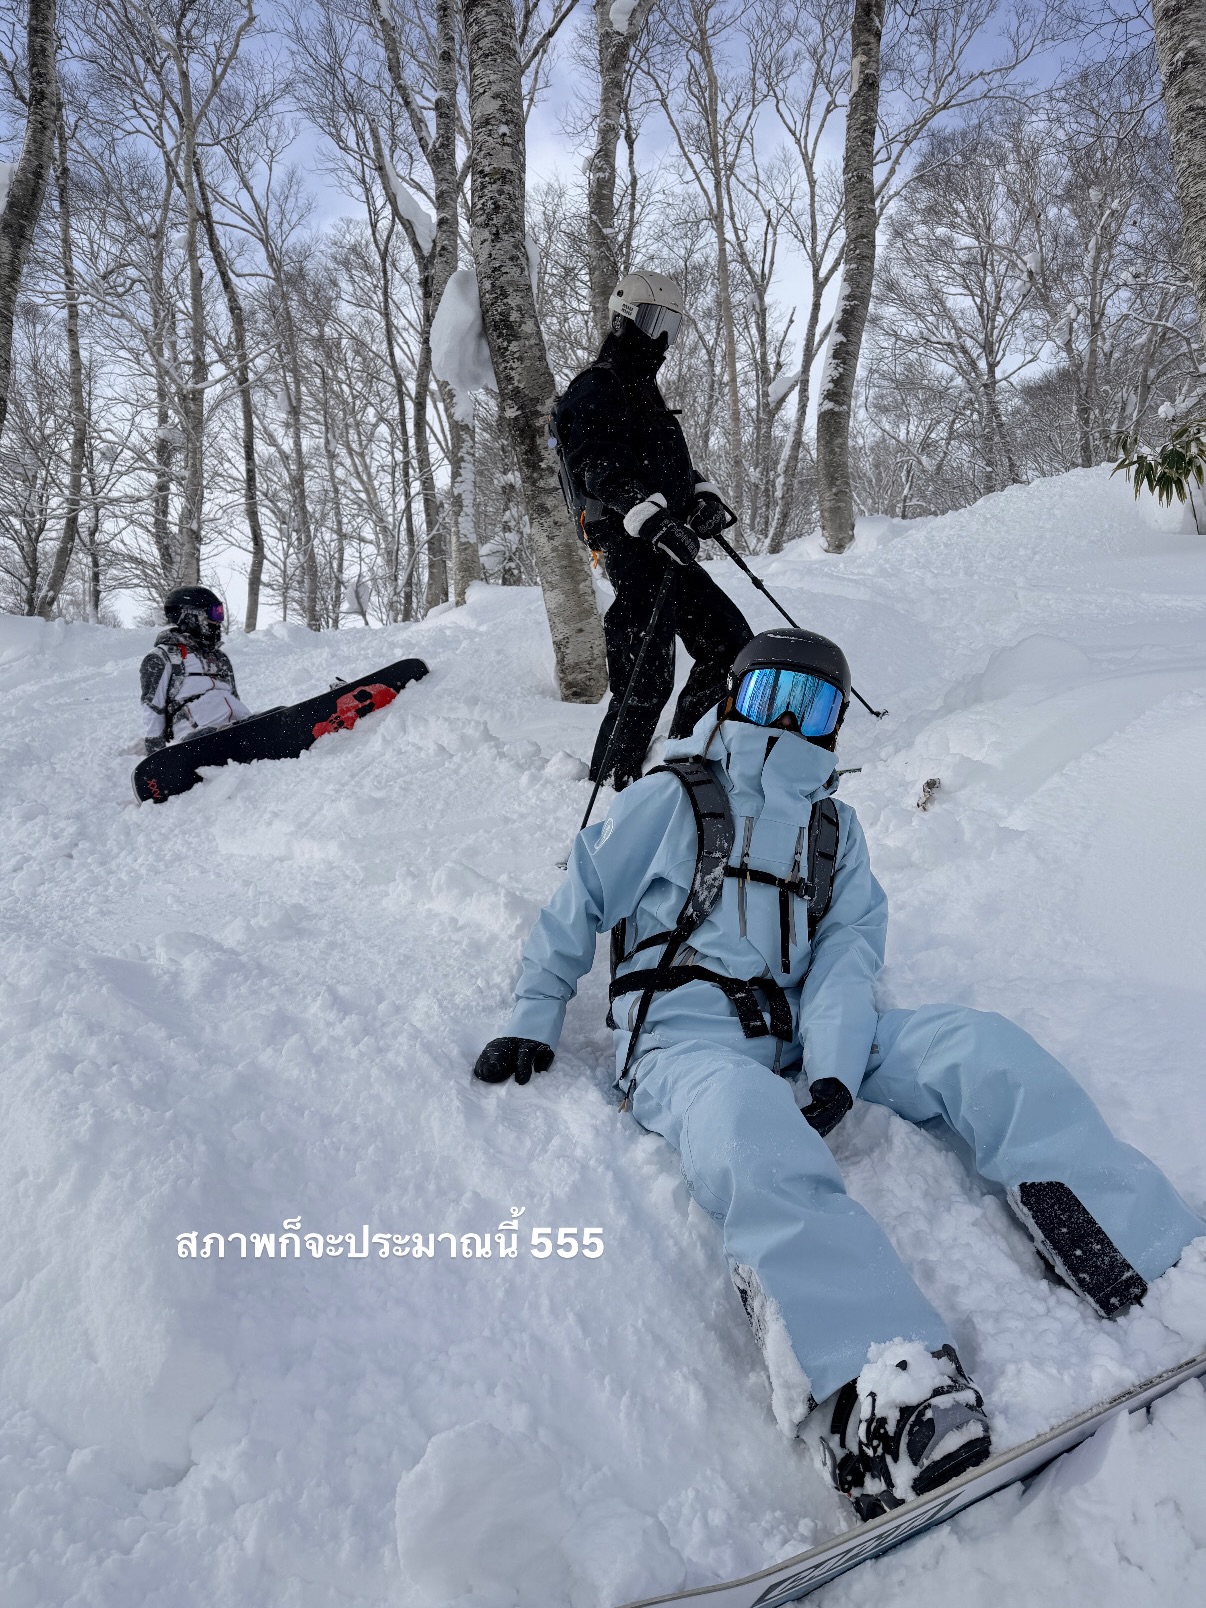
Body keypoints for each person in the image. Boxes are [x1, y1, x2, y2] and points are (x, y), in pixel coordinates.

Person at [472, 627, 1206, 1519]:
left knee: (980, 1046)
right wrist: (533, 1013)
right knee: (751, 1129)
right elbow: (580, 897)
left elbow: (848, 955)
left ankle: (1157, 1256)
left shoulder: (833, 829)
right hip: (686, 1038)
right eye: (770, 695)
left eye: (810, 703)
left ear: (833, 726)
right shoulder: (672, 798)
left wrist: (831, 1067)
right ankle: (877, 1396)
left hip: (804, 1030)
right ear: (735, 699)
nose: (785, 719)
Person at [555, 269, 753, 789]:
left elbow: (676, 471)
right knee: (644, 676)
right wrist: (648, 517)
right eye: (651, 321)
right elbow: (596, 467)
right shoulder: (598, 386)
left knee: (730, 645)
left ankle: (684, 757)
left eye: (672, 326)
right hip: (633, 549)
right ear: (623, 320)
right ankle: (612, 782)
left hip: (671, 549)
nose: (661, 339)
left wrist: (703, 498)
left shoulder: (646, 394)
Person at [139, 586, 250, 756]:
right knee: (208, 735)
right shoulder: (163, 657)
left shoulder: (220, 659)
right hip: (196, 734)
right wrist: (157, 754)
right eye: (214, 613)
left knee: (277, 713)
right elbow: (154, 708)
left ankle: (260, 729)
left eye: (220, 613)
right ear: (191, 615)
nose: (218, 621)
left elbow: (234, 697)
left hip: (239, 726)